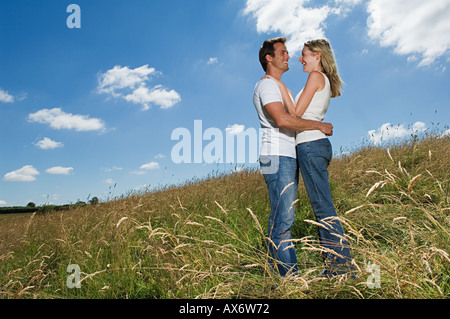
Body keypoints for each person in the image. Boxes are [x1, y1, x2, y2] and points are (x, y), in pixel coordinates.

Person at [266, 39, 353, 277]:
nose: (300, 59)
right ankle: (338, 267)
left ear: (317, 55)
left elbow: (294, 113)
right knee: (323, 207)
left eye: (304, 55)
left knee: (323, 208)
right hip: (315, 145)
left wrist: (279, 87)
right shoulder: (320, 79)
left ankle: (341, 269)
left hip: (311, 145)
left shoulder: (315, 76)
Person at [252, 37, 333, 277]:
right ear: (269, 58)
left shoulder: (279, 86)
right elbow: (283, 120)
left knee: (284, 217)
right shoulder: (266, 86)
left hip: (287, 155)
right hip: (276, 156)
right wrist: (319, 126)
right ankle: (288, 279)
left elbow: (294, 113)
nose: (289, 57)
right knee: (283, 220)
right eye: (283, 52)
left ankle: (283, 275)